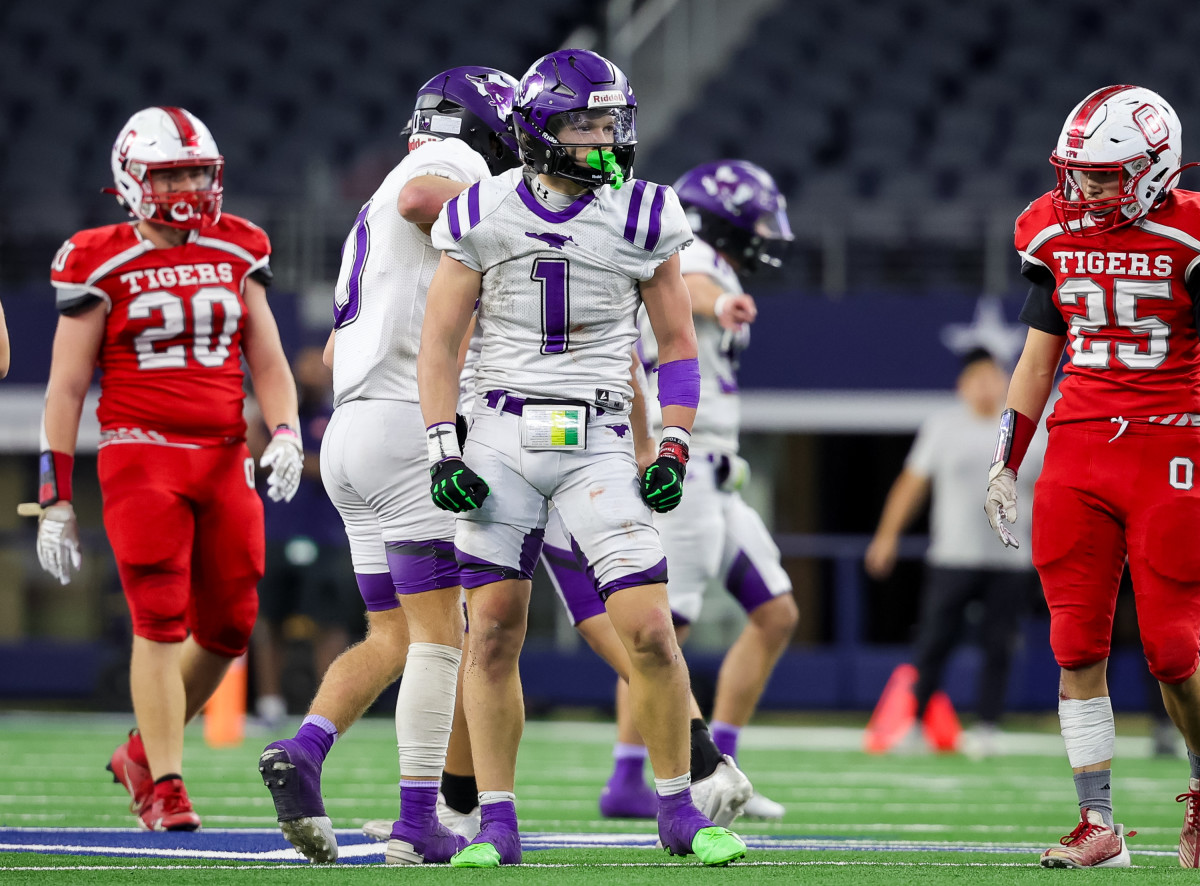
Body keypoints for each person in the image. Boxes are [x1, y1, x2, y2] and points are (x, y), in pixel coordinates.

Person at [418, 48, 747, 868]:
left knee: (648, 631)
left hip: (598, 435)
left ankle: (676, 808)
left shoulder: (644, 215)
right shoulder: (481, 210)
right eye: (586, 123)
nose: (605, 137)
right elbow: (438, 343)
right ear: (539, 131)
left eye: (611, 120)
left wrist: (668, 439)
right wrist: (440, 444)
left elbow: (675, 344)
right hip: (497, 433)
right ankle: (495, 819)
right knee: (491, 632)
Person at [258, 67, 521, 865]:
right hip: (409, 430)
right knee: (446, 636)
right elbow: (424, 201)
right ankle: (419, 820)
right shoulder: (444, 170)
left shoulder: (372, 209)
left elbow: (338, 347)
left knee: (394, 634)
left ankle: (304, 749)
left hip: (348, 435)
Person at [32, 106, 301, 831]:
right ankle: (167, 784)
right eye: (169, 172)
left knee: (230, 627)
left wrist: (286, 431)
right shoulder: (97, 255)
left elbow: (268, 357)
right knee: (158, 618)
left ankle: (141, 753)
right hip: (140, 451)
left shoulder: (239, 244)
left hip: (222, 457)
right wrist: (55, 496)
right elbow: (64, 387)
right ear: (129, 180)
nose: (185, 185)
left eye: (194, 171)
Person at [984, 84, 1200, 869]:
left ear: (1151, 169)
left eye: (1103, 176)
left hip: (1173, 440)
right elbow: (1039, 355)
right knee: (1074, 639)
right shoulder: (1050, 227)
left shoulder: (1193, 233)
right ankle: (1098, 824)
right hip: (1080, 445)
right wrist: (1006, 461)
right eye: (1076, 174)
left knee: (1174, 648)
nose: (1083, 190)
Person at [546, 160, 798, 819]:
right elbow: (691, 281)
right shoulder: (688, 251)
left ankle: (722, 767)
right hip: (679, 463)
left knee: (776, 614)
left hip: (718, 473)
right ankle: (636, 777)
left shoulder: (707, 255)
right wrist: (719, 301)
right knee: (663, 631)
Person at [865, 347, 1042, 757]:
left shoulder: (1028, 429)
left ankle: (988, 726)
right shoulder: (944, 426)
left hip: (1010, 558)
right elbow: (912, 484)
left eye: (993, 377)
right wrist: (887, 535)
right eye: (977, 379)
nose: (986, 387)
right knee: (934, 642)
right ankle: (915, 723)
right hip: (953, 556)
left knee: (999, 644)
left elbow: (1051, 489)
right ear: (961, 386)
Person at [248, 345, 360, 729]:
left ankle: (328, 709)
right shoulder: (276, 418)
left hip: (325, 535)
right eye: (303, 368)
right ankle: (269, 705)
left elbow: (340, 468)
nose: (309, 376)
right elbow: (253, 452)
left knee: (328, 624)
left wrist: (294, 459)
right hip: (275, 532)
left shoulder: (338, 417)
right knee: (268, 621)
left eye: (317, 369)